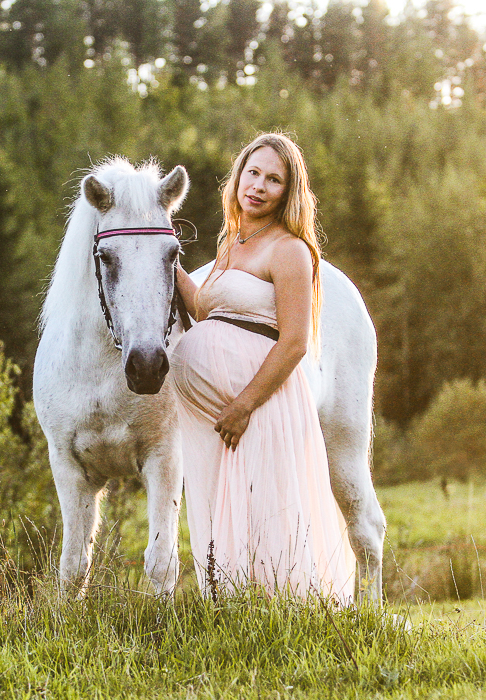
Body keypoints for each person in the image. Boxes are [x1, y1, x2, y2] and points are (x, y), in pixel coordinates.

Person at [171, 133, 356, 601]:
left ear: (288, 192)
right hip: (221, 411)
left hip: (260, 405)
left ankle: (289, 618)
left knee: (269, 517)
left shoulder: (289, 250)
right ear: (237, 177)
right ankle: (236, 612)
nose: (258, 186)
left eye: (273, 179)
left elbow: (294, 342)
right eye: (252, 173)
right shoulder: (232, 243)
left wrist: (244, 404)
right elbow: (204, 311)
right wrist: (167, 260)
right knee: (230, 513)